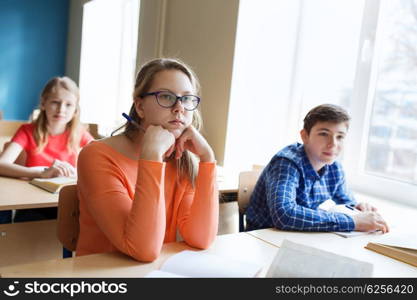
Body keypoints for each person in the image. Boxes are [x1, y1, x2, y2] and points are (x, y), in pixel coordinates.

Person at [76, 58, 218, 262]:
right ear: (140, 106)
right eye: (167, 97)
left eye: (187, 99)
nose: (180, 108)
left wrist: (207, 159)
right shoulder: (96, 156)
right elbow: (143, 250)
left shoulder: (181, 160)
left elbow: (201, 239)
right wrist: (151, 158)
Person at [245, 104, 389, 233]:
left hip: (298, 237)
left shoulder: (334, 168)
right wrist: (353, 221)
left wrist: (358, 208)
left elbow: (345, 201)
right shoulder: (286, 163)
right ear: (305, 136)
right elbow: (285, 215)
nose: (333, 144)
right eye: (324, 134)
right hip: (264, 238)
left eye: (340, 136)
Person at [0, 76, 93, 223]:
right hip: (32, 205)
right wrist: (41, 173)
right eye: (55, 102)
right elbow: (1, 164)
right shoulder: (27, 131)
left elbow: (101, 159)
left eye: (68, 104)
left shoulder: (80, 133)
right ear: (43, 103)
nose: (61, 109)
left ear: (76, 110)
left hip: (66, 205)